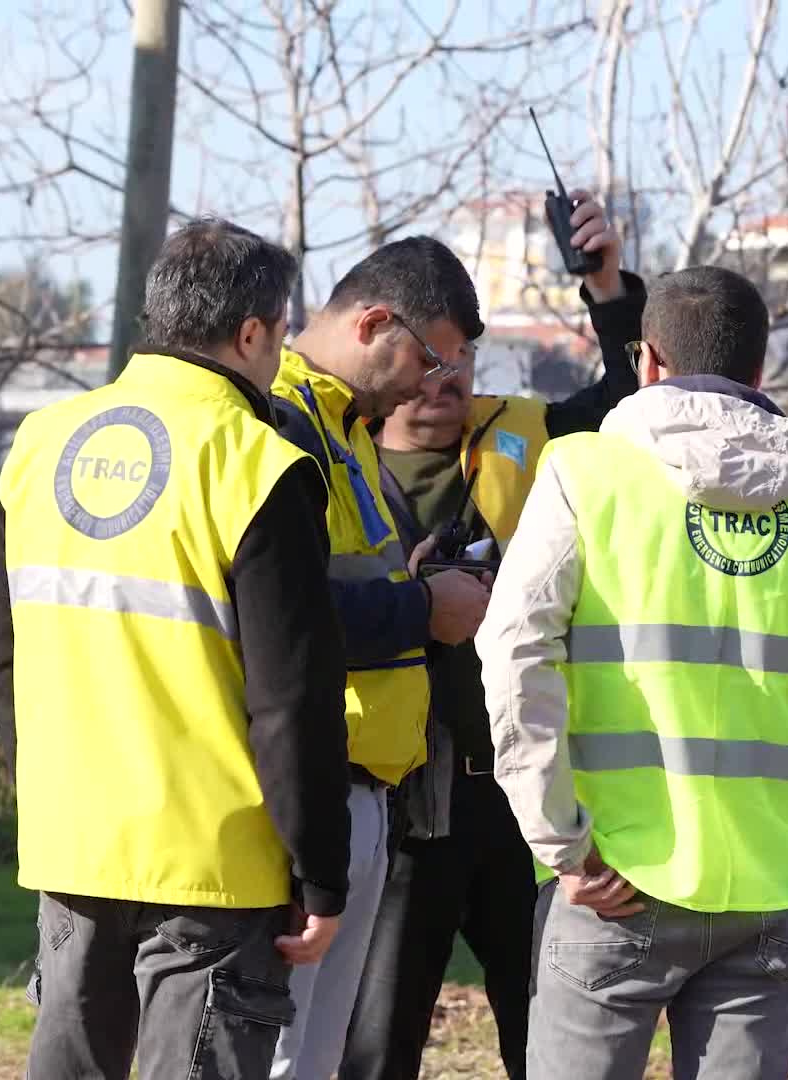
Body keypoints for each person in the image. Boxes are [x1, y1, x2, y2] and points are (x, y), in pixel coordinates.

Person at [479, 266, 788, 1080]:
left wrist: (559, 842)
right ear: (759, 371)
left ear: (650, 360)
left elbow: (513, 651)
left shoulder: (582, 474)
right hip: (771, 888)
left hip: (615, 878)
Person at [0, 218, 352, 1080]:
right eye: (281, 330)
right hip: (213, 864)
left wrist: (46, 800)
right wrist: (321, 873)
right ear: (253, 333)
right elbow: (293, 697)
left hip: (72, 844)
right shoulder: (261, 465)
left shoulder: (38, 445)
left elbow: (4, 665)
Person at [341, 189, 646, 1080]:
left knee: (546, 1029)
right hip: (404, 798)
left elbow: (632, 395)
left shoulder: (526, 432)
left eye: (464, 358)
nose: (449, 378)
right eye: (434, 359)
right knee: (379, 1035)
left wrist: (605, 282)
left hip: (519, 792)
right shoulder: (330, 449)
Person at [266, 236, 493, 1080]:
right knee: (279, 1055)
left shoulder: (342, 429)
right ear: (372, 325)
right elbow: (281, 617)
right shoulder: (282, 425)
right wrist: (424, 609)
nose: (435, 386)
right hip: (310, 785)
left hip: (365, 788)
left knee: (313, 1062)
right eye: (431, 359)